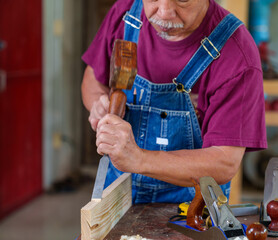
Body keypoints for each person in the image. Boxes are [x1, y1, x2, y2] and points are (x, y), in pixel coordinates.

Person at [81, 0, 267, 204]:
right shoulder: (125, 15)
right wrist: (98, 104)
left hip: (191, 208)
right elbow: (93, 80)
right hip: (117, 195)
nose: (164, 13)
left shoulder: (237, 54)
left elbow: (224, 163)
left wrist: (138, 158)